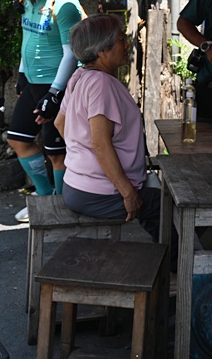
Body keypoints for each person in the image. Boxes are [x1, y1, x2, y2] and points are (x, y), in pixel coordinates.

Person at [54, 14, 163, 242]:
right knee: (169, 207)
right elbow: (100, 144)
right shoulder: (101, 84)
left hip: (75, 186)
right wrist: (128, 192)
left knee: (154, 202)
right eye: (120, 39)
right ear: (102, 51)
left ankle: (167, 261)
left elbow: (59, 123)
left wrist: (81, 157)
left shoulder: (79, 76)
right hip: (100, 193)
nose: (126, 44)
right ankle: (177, 270)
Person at [5, 0, 85, 222]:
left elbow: (71, 54)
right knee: (18, 138)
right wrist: (22, 74)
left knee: (56, 152)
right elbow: (28, 38)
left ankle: (63, 206)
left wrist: (54, 94)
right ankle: (44, 194)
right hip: (34, 81)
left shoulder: (64, 2)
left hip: (61, 85)